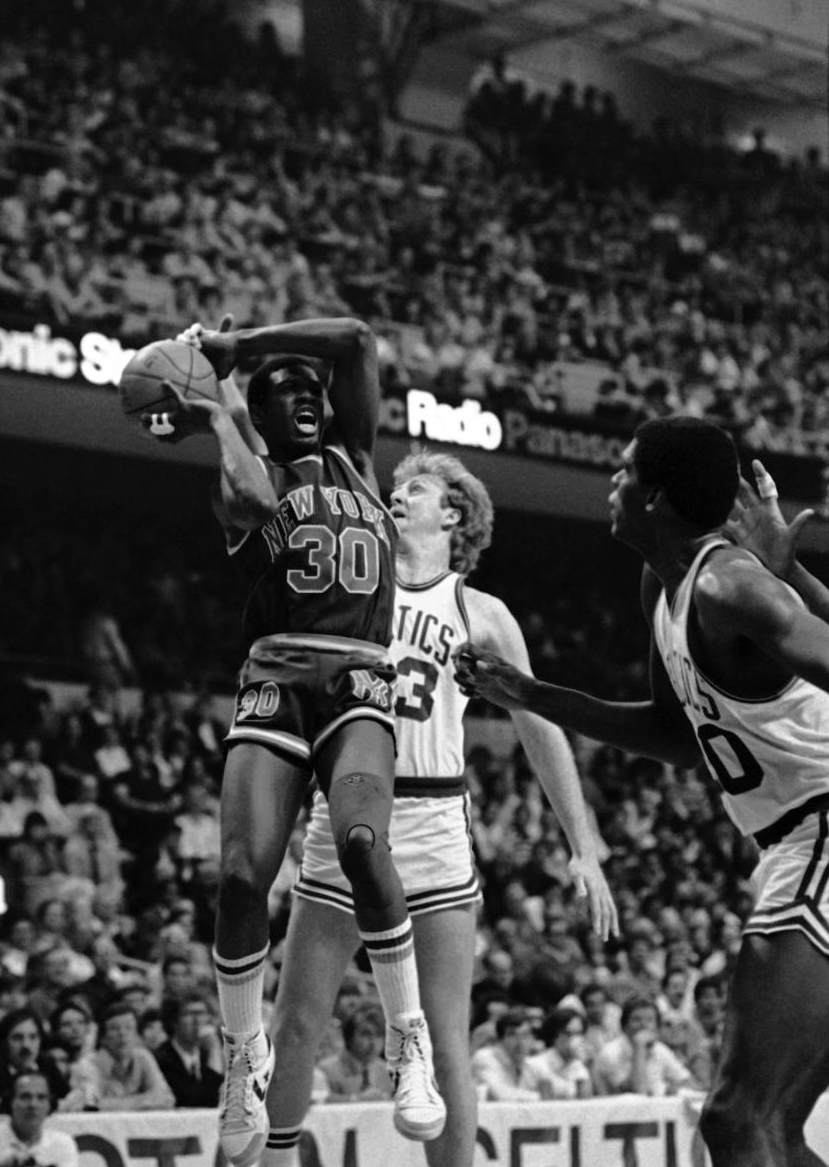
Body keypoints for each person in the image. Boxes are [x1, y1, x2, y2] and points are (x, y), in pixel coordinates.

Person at [455, 425, 829, 1167]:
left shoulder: (733, 587)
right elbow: (676, 734)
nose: (611, 484)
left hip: (822, 828)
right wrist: (531, 694)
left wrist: (797, 577)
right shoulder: (665, 586)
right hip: (792, 839)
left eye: (622, 471)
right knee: (770, 1125)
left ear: (654, 496)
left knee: (738, 1118)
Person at [262, 450, 616, 1167]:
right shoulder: (356, 587)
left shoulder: (481, 614)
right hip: (345, 812)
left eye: (413, 488)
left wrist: (584, 843)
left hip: (434, 824)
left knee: (445, 1036)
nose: (397, 494)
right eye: (393, 488)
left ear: (452, 513)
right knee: (296, 1023)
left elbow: (540, 729)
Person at [159, 316, 444, 1164]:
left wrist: (242, 344)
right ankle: (242, 1059)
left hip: (360, 679)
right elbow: (249, 499)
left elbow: (354, 338)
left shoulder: (360, 457)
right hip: (277, 679)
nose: (309, 397)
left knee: (363, 842)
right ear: (260, 413)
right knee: (244, 876)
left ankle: (408, 1037)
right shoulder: (246, 470)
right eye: (285, 392)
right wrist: (219, 407)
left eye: (312, 389)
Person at [591, 996, 691, 1096]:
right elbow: (637, 1092)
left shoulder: (659, 1049)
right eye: (637, 1019)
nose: (644, 1025)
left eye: (650, 1020)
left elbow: (689, 1083)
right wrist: (639, 1048)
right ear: (624, 1026)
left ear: (657, 1027)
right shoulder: (610, 1053)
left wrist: (673, 1088)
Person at [92, 1000, 175, 1110]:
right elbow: (92, 1105)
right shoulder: (90, 1064)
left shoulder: (143, 1057)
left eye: (129, 1027)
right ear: (103, 1038)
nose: (122, 1034)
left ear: (137, 1035)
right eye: (114, 1029)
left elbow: (166, 1098)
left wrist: (117, 1104)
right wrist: (146, 1100)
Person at [154, 994, 224, 1108]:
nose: (197, 1021)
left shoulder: (207, 1056)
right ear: (173, 1021)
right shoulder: (161, 1059)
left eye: (201, 1013)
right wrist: (214, 1049)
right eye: (188, 1014)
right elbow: (198, 1102)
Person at [315, 1006, 392, 1102]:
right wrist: (357, 1099)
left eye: (379, 1035)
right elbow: (320, 1103)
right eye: (366, 1034)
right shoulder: (325, 1070)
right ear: (349, 1037)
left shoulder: (385, 1070)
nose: (374, 1043)